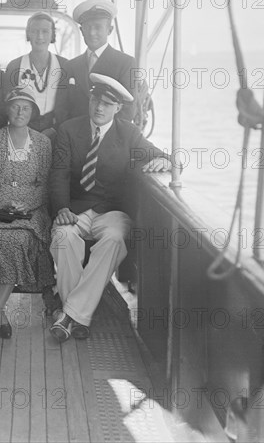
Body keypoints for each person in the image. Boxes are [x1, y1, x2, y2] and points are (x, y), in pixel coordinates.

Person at [49, 74, 171, 342]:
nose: (99, 108)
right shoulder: (70, 130)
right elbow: (58, 174)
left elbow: (163, 155)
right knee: (62, 236)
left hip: (112, 212)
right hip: (76, 209)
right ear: (89, 100)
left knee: (115, 239)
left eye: (107, 103)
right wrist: (61, 208)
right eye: (95, 100)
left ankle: (68, 315)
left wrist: (164, 160)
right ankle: (80, 315)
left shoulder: (128, 133)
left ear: (118, 108)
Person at [0, 86, 54, 341]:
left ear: (32, 112)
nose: (20, 111)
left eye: (25, 107)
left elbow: (45, 184)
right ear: (7, 109)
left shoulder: (42, 142)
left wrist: (26, 204)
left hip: (31, 211)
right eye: (15, 106)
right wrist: (5, 203)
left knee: (14, 241)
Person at [65, 0, 139, 122]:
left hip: (109, 137)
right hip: (75, 136)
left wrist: (104, 134)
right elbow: (62, 107)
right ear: (81, 31)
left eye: (98, 27)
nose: (92, 33)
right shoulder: (70, 66)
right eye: (88, 27)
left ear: (110, 30)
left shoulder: (126, 63)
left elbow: (129, 109)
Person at [4, 12, 69, 137]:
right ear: (28, 34)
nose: (40, 37)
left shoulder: (65, 65)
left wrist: (55, 130)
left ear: (52, 35)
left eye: (45, 31)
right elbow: (7, 104)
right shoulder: (14, 66)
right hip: (22, 130)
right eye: (34, 31)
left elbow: (68, 104)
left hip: (56, 130)